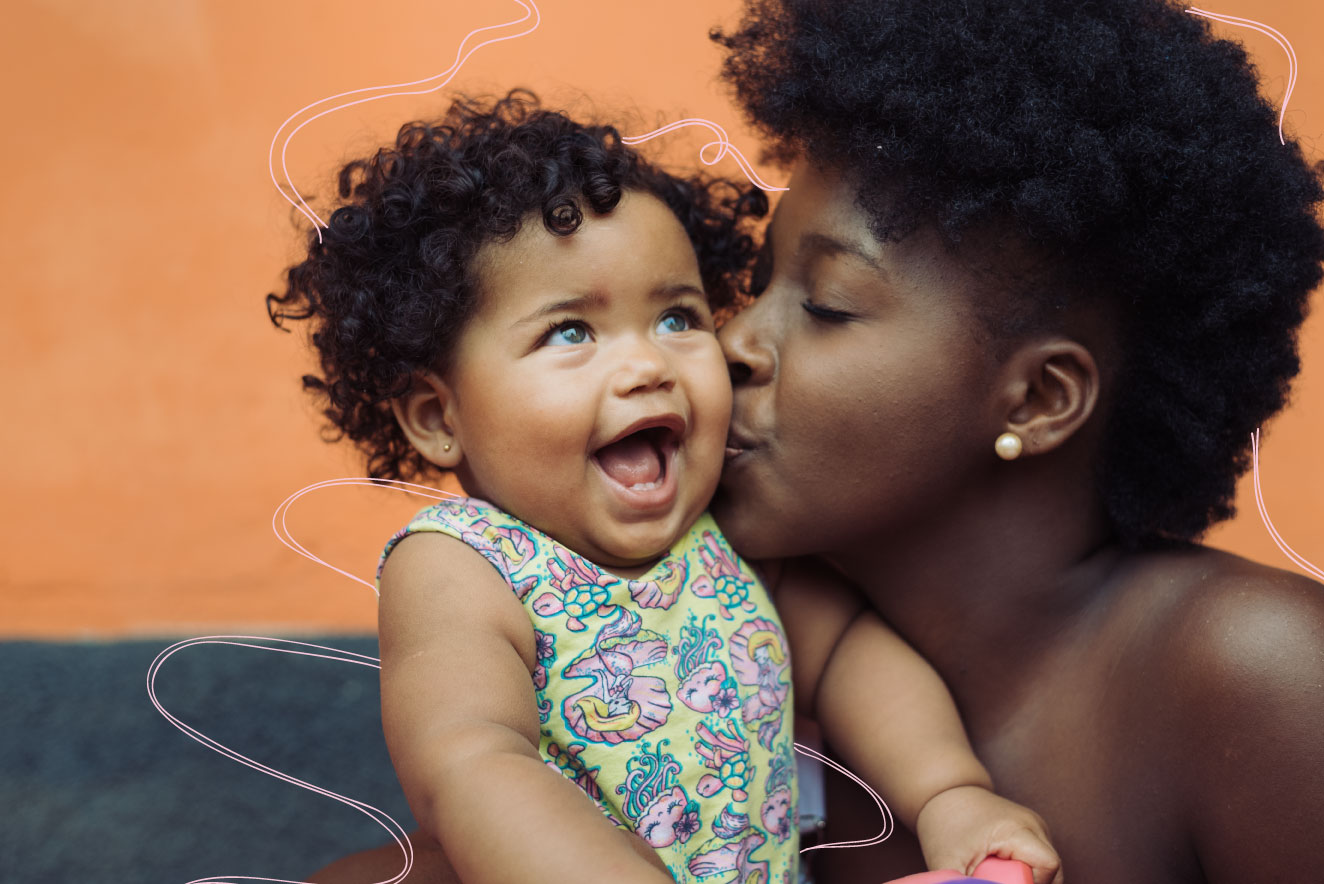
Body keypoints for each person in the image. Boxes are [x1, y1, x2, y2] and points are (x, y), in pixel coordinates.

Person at [269, 92, 1062, 883]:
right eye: (571, 332)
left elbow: (851, 658)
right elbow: (473, 759)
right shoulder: (463, 567)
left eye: (679, 319)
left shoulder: (720, 539)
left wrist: (949, 792)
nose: (649, 365)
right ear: (439, 417)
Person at [705, 1, 1324, 882]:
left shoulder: (1260, 671)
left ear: (1036, 399)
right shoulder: (728, 663)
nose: (731, 343)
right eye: (759, 283)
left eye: (826, 305)